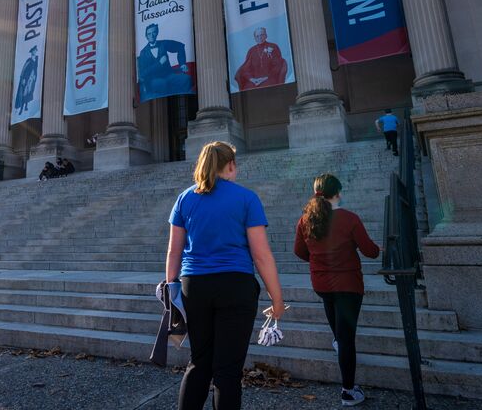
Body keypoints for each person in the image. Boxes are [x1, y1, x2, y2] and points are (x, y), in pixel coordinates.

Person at [166, 141, 286, 410]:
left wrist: (171, 289)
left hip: (194, 284)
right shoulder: (246, 198)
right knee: (227, 371)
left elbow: (174, 251)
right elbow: (261, 255)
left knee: (198, 363)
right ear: (230, 165)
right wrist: (277, 298)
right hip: (236, 284)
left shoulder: (185, 198)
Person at [293, 174, 380, 407]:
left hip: (322, 285)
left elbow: (299, 252)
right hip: (348, 284)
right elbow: (370, 251)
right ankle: (348, 391)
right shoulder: (349, 219)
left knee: (339, 331)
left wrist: (318, 259)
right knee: (346, 340)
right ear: (338, 193)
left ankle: (337, 341)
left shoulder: (305, 220)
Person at [138, 23, 194, 99]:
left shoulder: (163, 44)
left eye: (154, 32)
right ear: (146, 36)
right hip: (154, 79)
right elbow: (143, 73)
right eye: (149, 34)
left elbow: (180, 46)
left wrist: (182, 64)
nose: (152, 35)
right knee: (163, 84)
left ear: (157, 33)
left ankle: (181, 99)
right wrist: (159, 63)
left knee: (187, 79)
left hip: (169, 75)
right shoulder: (143, 52)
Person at [14, 45, 39, 115]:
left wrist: (35, 76)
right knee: (24, 92)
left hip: (32, 78)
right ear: (32, 52)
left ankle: (26, 106)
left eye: (36, 50)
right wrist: (23, 78)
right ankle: (21, 109)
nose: (35, 51)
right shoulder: (29, 60)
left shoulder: (36, 59)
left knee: (29, 92)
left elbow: (36, 69)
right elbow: (24, 70)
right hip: (26, 78)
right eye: (34, 50)